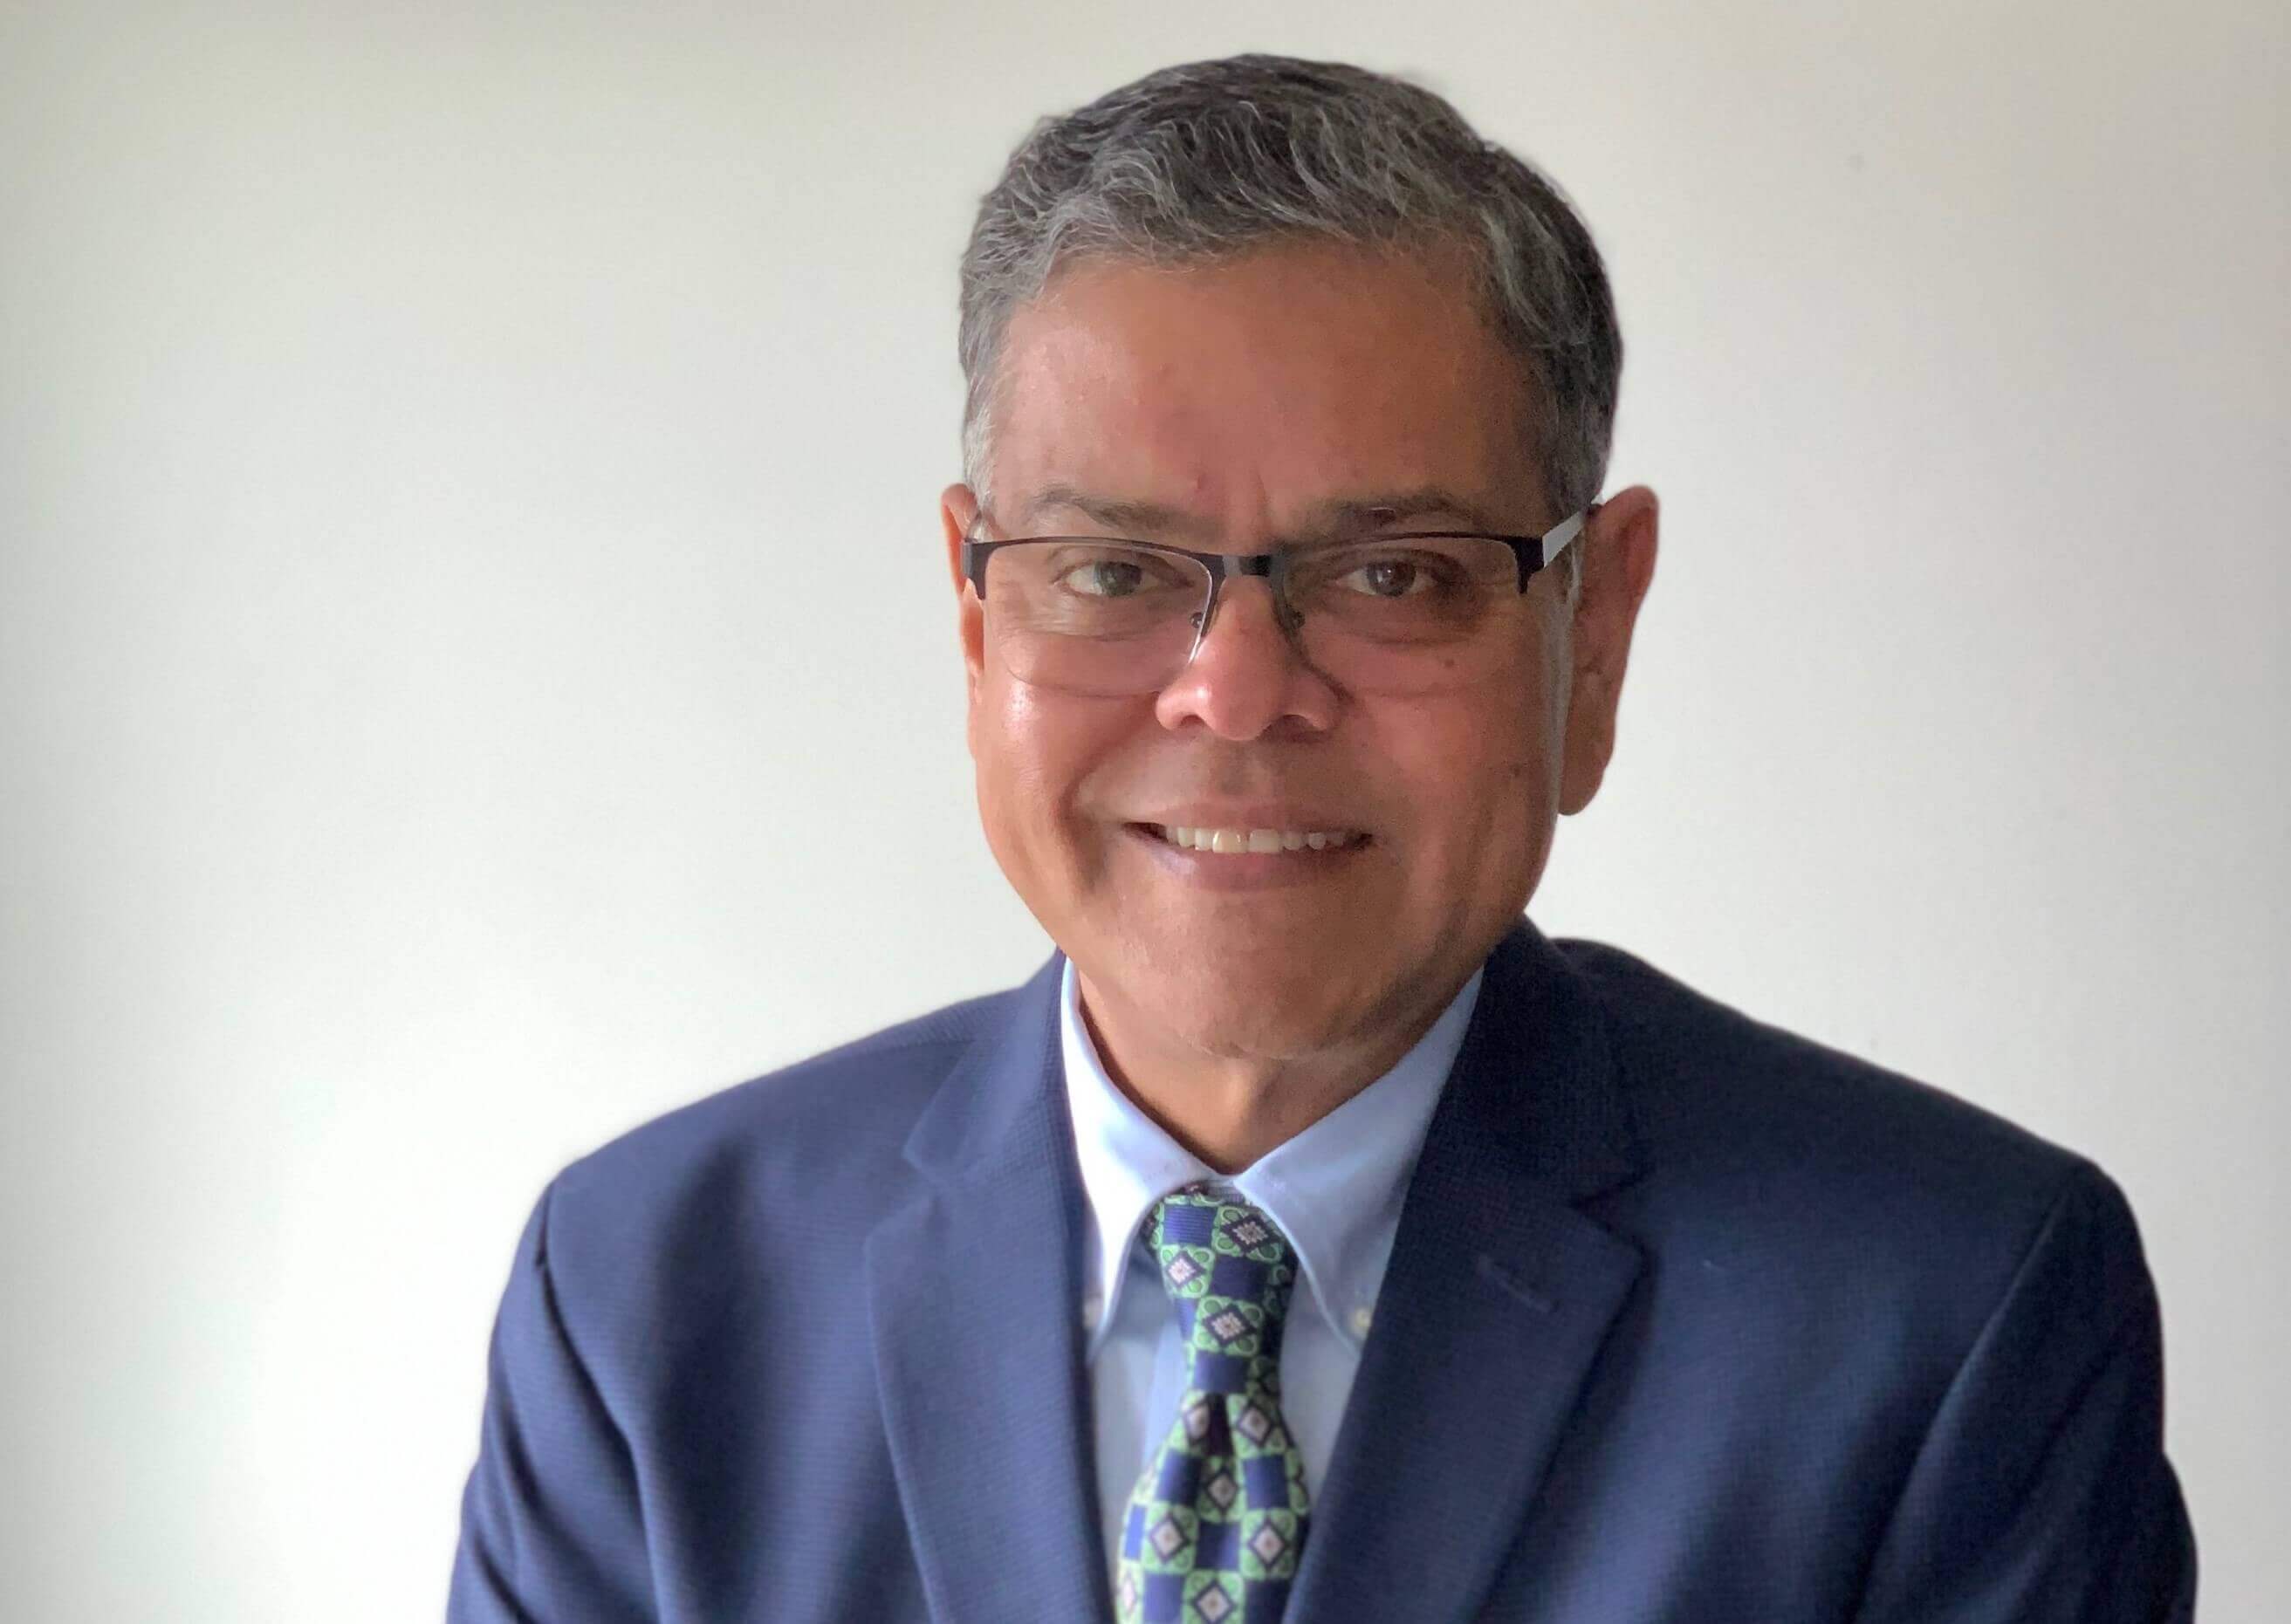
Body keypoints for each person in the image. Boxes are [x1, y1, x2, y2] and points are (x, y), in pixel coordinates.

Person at [446, 53, 2195, 1624]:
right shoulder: (638, 1303)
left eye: (1395, 574)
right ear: (978, 622)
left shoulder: (1943, 1313)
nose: (1233, 693)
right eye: (1114, 569)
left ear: (1590, 633)